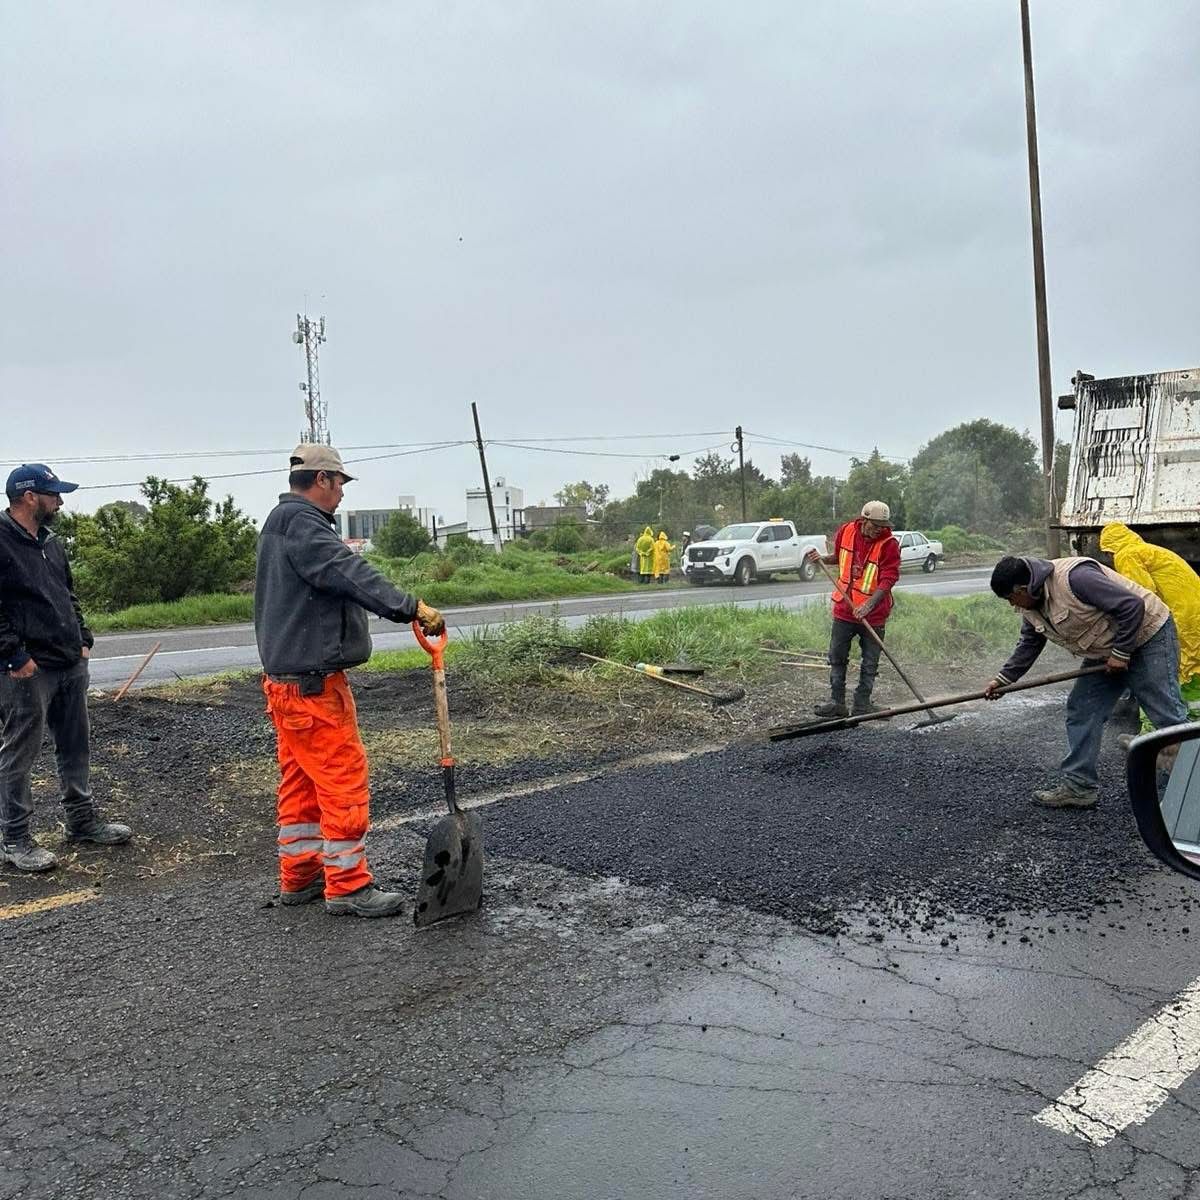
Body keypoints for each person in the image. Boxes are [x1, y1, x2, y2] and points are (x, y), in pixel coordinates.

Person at [255, 444, 446, 917]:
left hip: (288, 685)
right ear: (320, 480)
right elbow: (348, 572)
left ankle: (299, 878)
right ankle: (347, 885)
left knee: (300, 785)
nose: (341, 492)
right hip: (314, 688)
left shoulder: (281, 524)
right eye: (339, 482)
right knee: (342, 781)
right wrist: (410, 607)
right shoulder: (303, 525)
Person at [0, 464, 132, 873]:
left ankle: (81, 821)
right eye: (52, 493)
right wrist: (13, 655)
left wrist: (83, 638)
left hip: (68, 660)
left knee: (75, 744)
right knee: (19, 753)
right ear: (28, 497)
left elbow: (66, 592)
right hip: (26, 668)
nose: (60, 500)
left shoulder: (51, 542)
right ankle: (15, 838)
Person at [984, 554, 1188, 809]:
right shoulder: (1030, 606)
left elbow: (1132, 606)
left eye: (1010, 598)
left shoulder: (1075, 578)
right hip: (1106, 650)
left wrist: (1121, 653)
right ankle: (1079, 787)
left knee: (1167, 716)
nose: (1012, 605)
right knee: (1082, 709)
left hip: (1149, 636)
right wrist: (1004, 680)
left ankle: (1191, 787)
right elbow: (1030, 643)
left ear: (1023, 589)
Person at [1098, 523, 1200, 729]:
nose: (1109, 558)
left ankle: (1154, 736)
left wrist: (1128, 639)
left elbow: (1141, 596)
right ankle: (1194, 727)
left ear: (1110, 548)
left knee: (1160, 671)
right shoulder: (1150, 550)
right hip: (1194, 614)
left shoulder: (1126, 555)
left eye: (1108, 553)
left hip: (1181, 618)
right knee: (1194, 669)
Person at [805, 501, 901, 718]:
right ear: (863, 520)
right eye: (875, 525)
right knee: (837, 657)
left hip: (873, 613)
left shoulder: (889, 544)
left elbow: (889, 578)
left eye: (883, 525)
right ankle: (837, 703)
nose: (879, 529)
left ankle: (862, 704)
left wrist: (869, 605)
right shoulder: (847, 531)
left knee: (870, 661)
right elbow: (839, 558)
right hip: (845, 608)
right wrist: (822, 559)